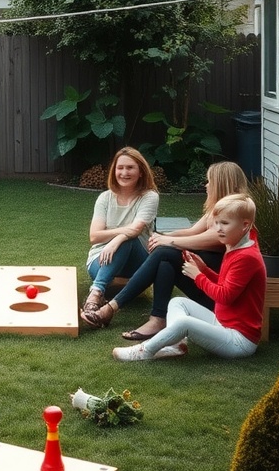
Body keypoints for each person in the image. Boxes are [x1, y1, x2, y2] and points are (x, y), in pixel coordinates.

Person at [95, 161, 249, 340]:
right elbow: (192, 231)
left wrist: (169, 240)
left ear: (222, 183)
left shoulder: (239, 212)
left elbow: (212, 239)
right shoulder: (219, 209)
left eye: (209, 181)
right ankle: (158, 319)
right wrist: (160, 236)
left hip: (219, 295)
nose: (206, 186)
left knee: (164, 253)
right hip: (208, 286)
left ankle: (113, 307)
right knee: (164, 259)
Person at [112, 193, 266, 362]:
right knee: (177, 302)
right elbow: (225, 284)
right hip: (222, 323)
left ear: (245, 225)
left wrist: (198, 276)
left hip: (239, 340)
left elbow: (225, 296)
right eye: (216, 223)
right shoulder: (236, 244)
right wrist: (204, 269)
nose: (218, 229)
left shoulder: (246, 256)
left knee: (184, 323)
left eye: (225, 223)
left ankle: (144, 351)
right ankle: (175, 345)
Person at [80, 147, 159, 329]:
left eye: (130, 168)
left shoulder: (149, 197)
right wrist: (123, 233)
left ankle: (95, 294)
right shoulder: (105, 198)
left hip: (137, 262)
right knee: (126, 237)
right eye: (120, 168)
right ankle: (98, 291)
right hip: (100, 260)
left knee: (128, 240)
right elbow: (94, 236)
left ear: (140, 172)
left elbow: (137, 229)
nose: (124, 173)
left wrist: (116, 239)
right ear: (114, 171)